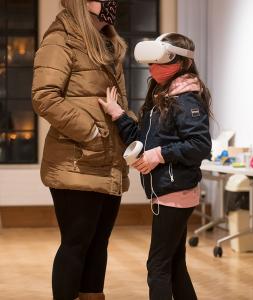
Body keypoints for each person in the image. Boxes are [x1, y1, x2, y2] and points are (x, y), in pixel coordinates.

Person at [32, 1, 133, 299]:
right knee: (76, 242)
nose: (111, 3)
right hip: (76, 161)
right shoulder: (61, 38)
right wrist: (90, 131)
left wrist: (127, 127)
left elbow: (119, 103)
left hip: (108, 160)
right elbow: (44, 97)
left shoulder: (108, 44)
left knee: (98, 242)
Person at [99, 33, 212, 300]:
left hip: (175, 193)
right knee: (174, 264)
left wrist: (158, 155)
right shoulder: (163, 95)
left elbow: (200, 145)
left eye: (158, 63)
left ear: (181, 63)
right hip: (168, 192)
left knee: (157, 267)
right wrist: (118, 114)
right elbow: (142, 139)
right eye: (149, 64)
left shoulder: (185, 99)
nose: (151, 69)